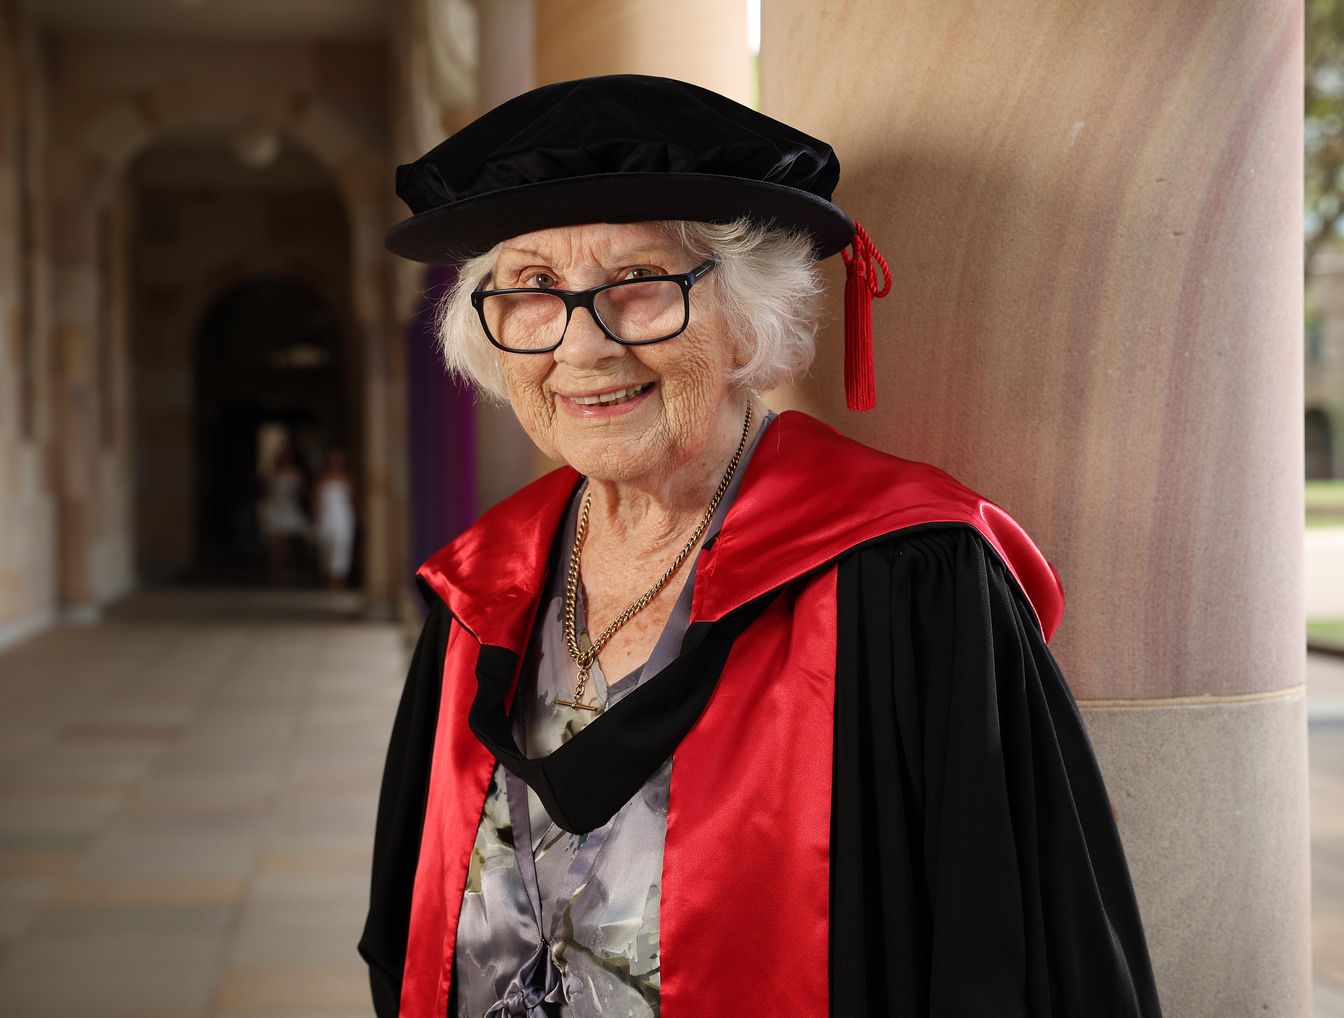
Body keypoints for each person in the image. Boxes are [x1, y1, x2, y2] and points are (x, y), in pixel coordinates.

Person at [361, 74, 1162, 1018]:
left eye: (640, 284)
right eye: (534, 289)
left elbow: (1011, 951)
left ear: (749, 317)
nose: (584, 349)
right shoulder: (480, 587)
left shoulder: (906, 576)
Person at [260, 445, 309, 584]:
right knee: (277, 543)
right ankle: (276, 571)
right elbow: (266, 492)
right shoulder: (273, 475)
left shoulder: (295, 475)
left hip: (290, 509)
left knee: (289, 543)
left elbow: (302, 493)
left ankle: (288, 571)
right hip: (277, 509)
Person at [313, 447, 356, 591]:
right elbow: (316, 498)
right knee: (327, 544)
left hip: (343, 516)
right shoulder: (323, 478)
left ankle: (338, 580)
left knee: (342, 545)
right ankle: (329, 576)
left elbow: (352, 499)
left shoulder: (347, 478)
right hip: (327, 516)